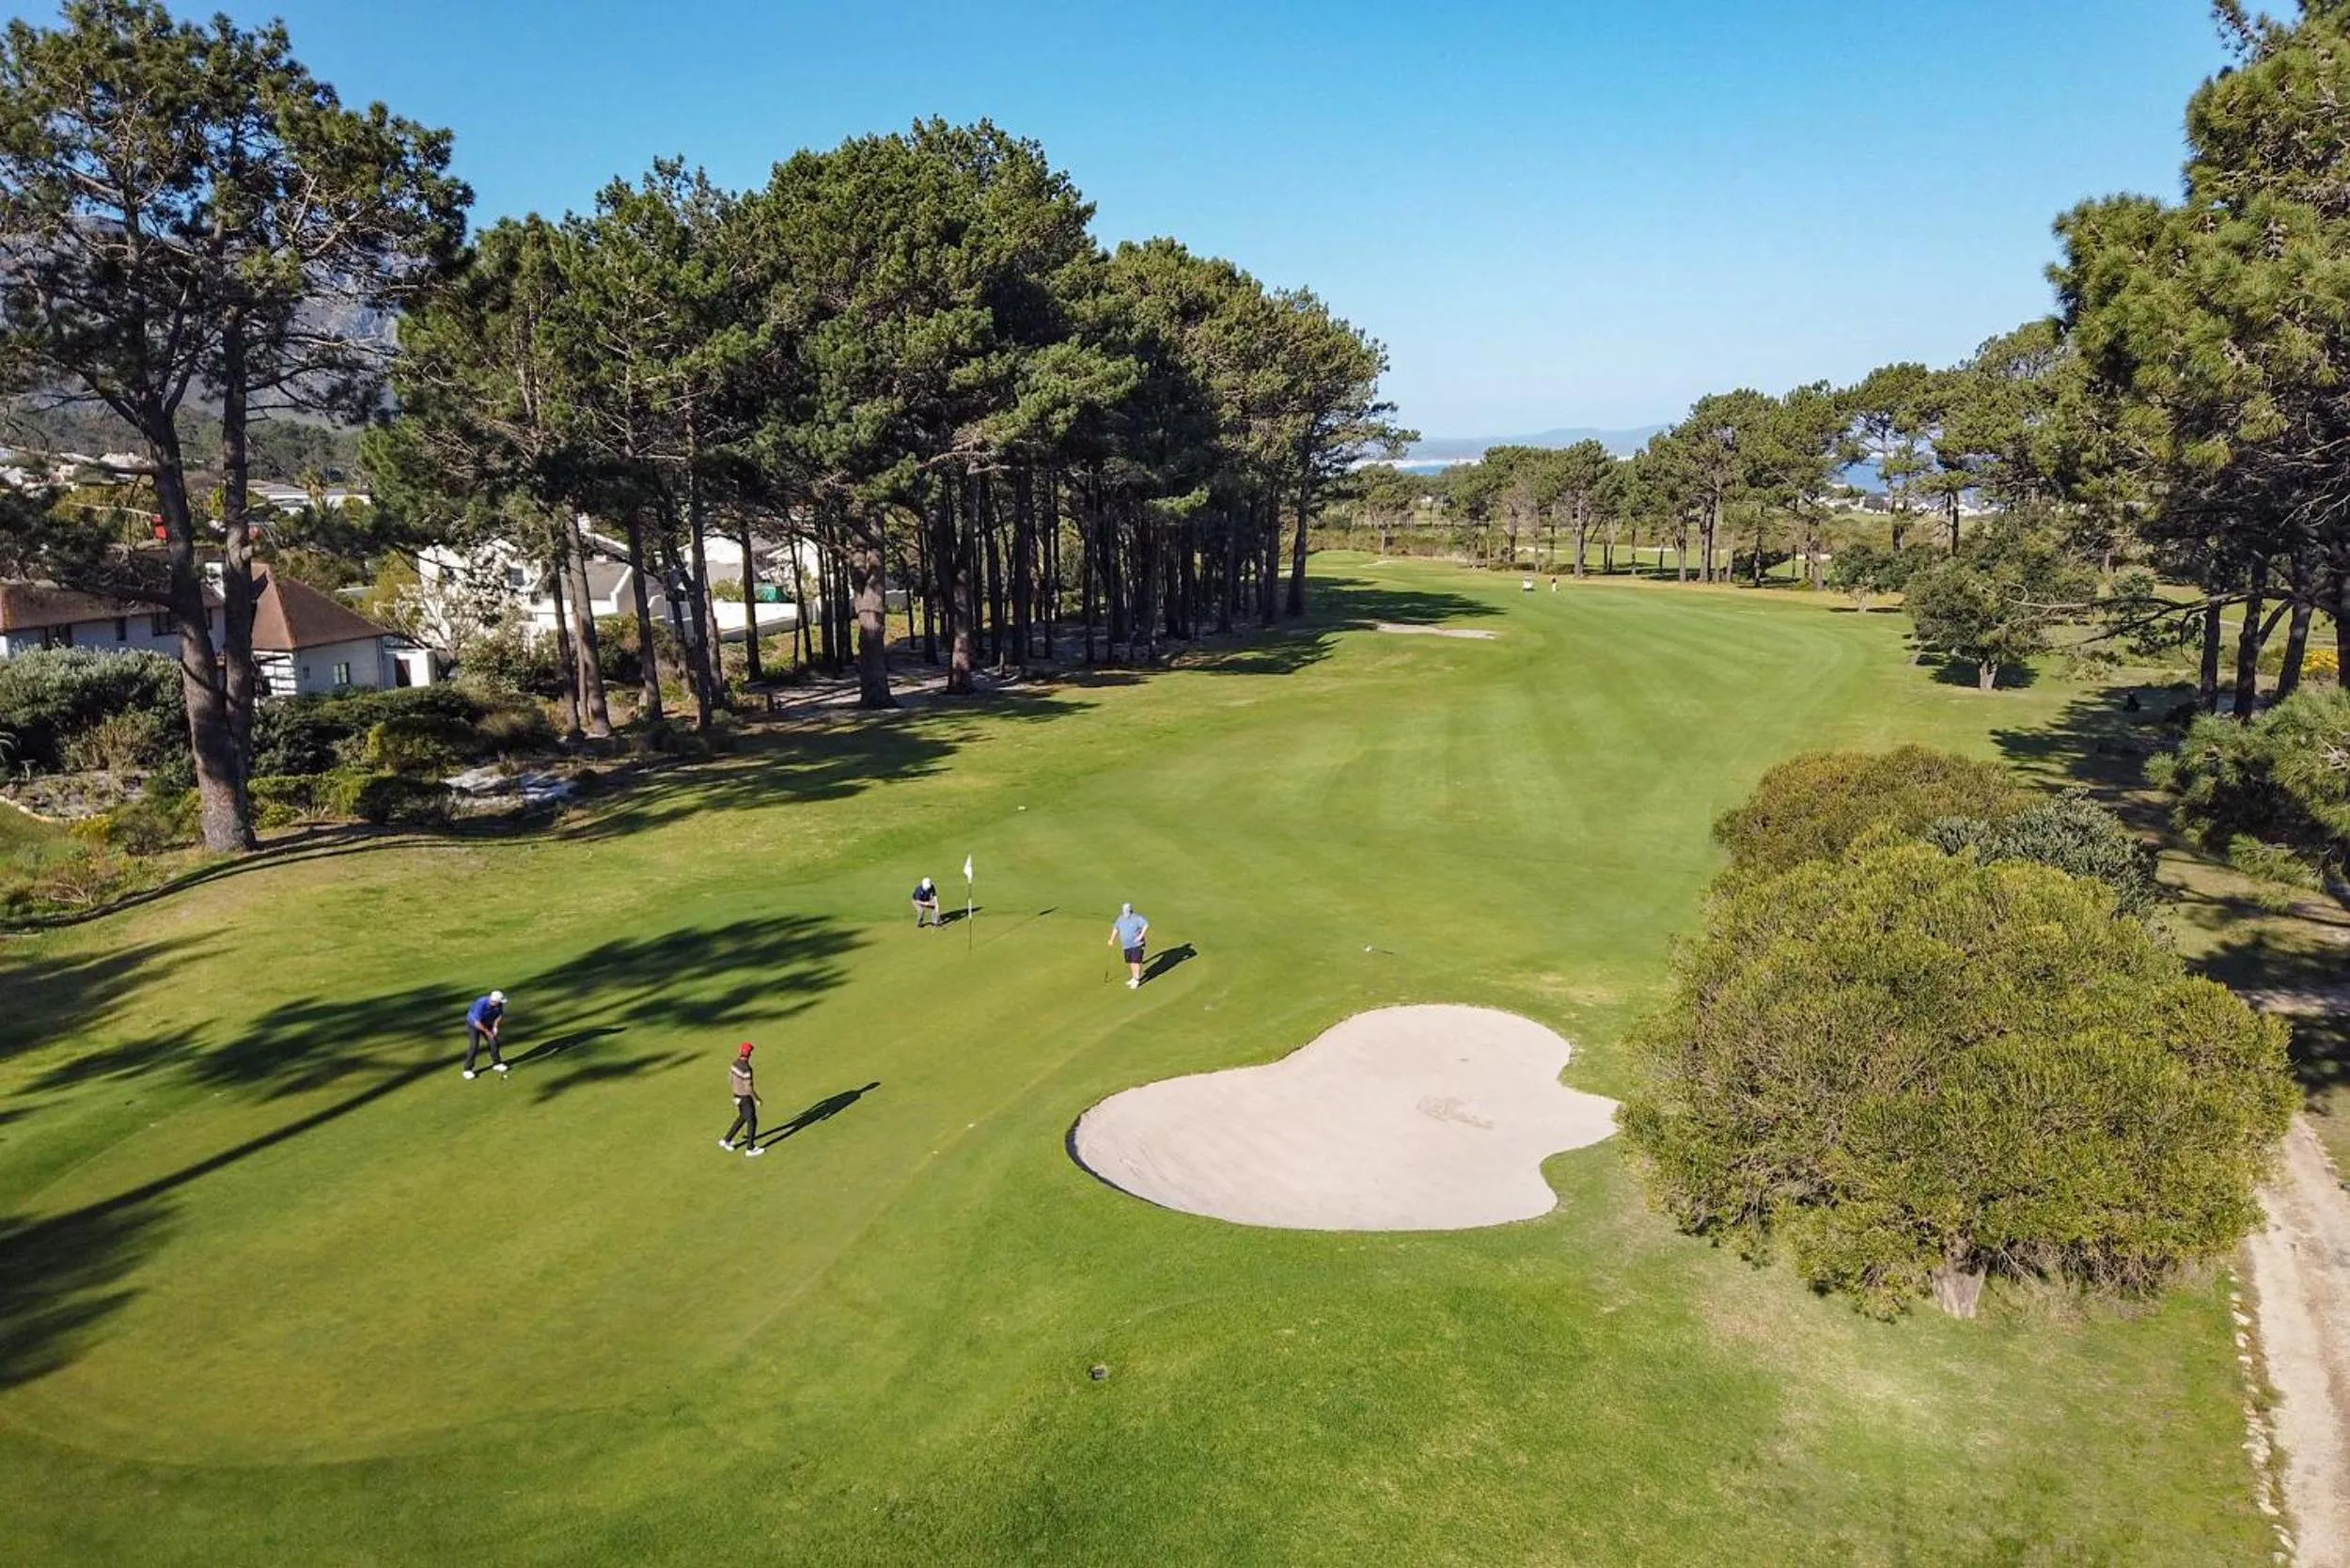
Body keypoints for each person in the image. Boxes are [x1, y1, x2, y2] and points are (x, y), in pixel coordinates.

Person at [719, 1042, 765, 1156]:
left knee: (743, 1117)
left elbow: (730, 1079)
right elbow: (748, 1087)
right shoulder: (746, 1068)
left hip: (737, 1096)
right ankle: (750, 1148)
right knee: (752, 1120)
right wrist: (757, 1098)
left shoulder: (734, 1064)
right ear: (749, 1054)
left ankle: (726, 1140)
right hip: (745, 1098)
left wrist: (735, 1094)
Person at [462, 990, 507, 1079]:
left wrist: (495, 1027)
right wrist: (487, 1032)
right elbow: (477, 1023)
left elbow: (499, 1015)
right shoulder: (481, 1003)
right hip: (473, 1025)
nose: (500, 1004)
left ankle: (497, 1064)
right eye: (499, 1002)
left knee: (494, 1042)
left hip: (487, 1023)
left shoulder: (499, 1004)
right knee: (474, 1046)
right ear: (494, 1001)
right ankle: (467, 1070)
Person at [1108, 902, 1150, 990]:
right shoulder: (1121, 919)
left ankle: (1137, 980)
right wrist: (1112, 939)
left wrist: (1140, 936)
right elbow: (1116, 928)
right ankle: (1134, 978)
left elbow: (1146, 925)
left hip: (1137, 944)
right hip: (1126, 945)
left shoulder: (1137, 918)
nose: (1126, 913)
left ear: (1130, 910)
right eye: (1124, 911)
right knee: (1131, 961)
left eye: (1127, 911)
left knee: (1136, 962)